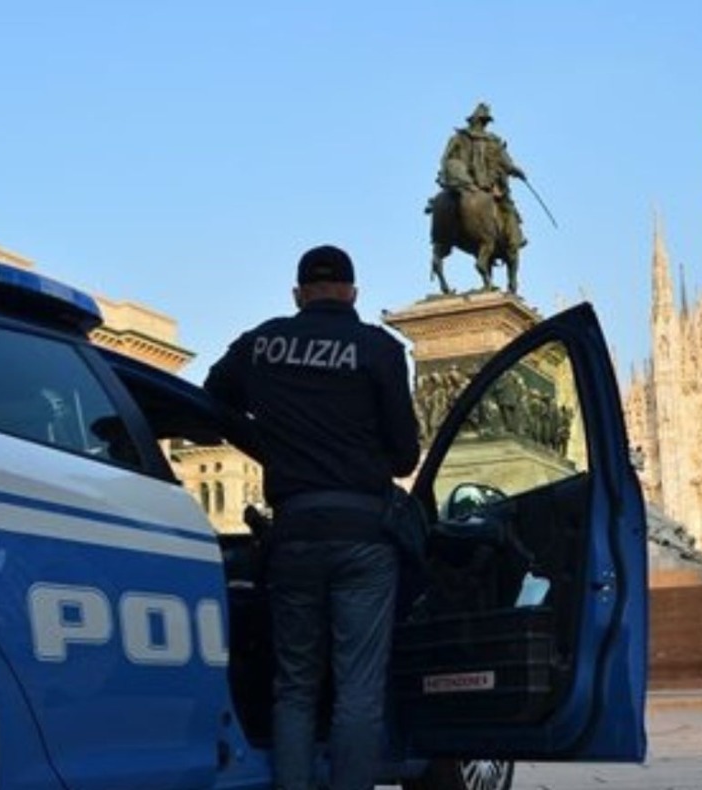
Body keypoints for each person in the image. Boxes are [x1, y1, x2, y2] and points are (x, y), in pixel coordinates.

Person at [205, 244, 421, 790]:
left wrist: (266, 445)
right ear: (353, 293)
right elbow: (404, 457)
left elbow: (212, 400)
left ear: (298, 294)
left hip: (294, 533)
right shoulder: (379, 348)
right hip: (363, 537)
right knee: (359, 689)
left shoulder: (262, 343)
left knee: (295, 687)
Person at [437, 101, 528, 249]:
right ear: (484, 121)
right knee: (508, 208)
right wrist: (516, 171)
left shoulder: (459, 137)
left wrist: (451, 176)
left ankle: (438, 249)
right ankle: (515, 239)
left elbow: (446, 158)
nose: (483, 124)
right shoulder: (494, 141)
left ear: (472, 120)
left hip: (462, 182)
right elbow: (506, 164)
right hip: (487, 185)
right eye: (484, 121)